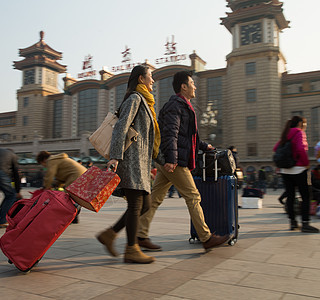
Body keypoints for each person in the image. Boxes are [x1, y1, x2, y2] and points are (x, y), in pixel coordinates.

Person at [136, 71, 230, 252]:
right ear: (183, 86)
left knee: (155, 199)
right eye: (192, 83)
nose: (195, 86)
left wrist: (204, 146)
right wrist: (172, 160)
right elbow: (171, 134)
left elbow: (188, 137)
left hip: (168, 160)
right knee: (193, 196)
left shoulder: (183, 105)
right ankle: (206, 237)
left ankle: (140, 235)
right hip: (175, 161)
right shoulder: (176, 105)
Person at [96, 65, 158, 264]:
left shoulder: (145, 102)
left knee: (144, 204)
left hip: (140, 162)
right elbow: (121, 126)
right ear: (141, 79)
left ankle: (110, 234)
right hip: (130, 159)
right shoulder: (135, 99)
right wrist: (115, 156)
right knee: (136, 205)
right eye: (150, 77)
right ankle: (131, 249)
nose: (153, 81)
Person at [273, 116, 319, 233]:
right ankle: (305, 223)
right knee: (306, 196)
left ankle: (293, 223)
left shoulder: (286, 133)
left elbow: (275, 148)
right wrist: (306, 163)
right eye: (304, 124)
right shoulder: (299, 132)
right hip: (299, 169)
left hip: (285, 171)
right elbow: (300, 149)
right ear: (300, 123)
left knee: (291, 197)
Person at [36, 150, 87, 224]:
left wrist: (46, 188)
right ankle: (74, 218)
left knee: (68, 199)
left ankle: (72, 218)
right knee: (75, 199)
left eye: (42, 164)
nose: (44, 166)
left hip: (76, 176)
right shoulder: (58, 159)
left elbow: (49, 175)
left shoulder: (51, 160)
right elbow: (62, 176)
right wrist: (57, 184)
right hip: (85, 175)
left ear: (43, 160)